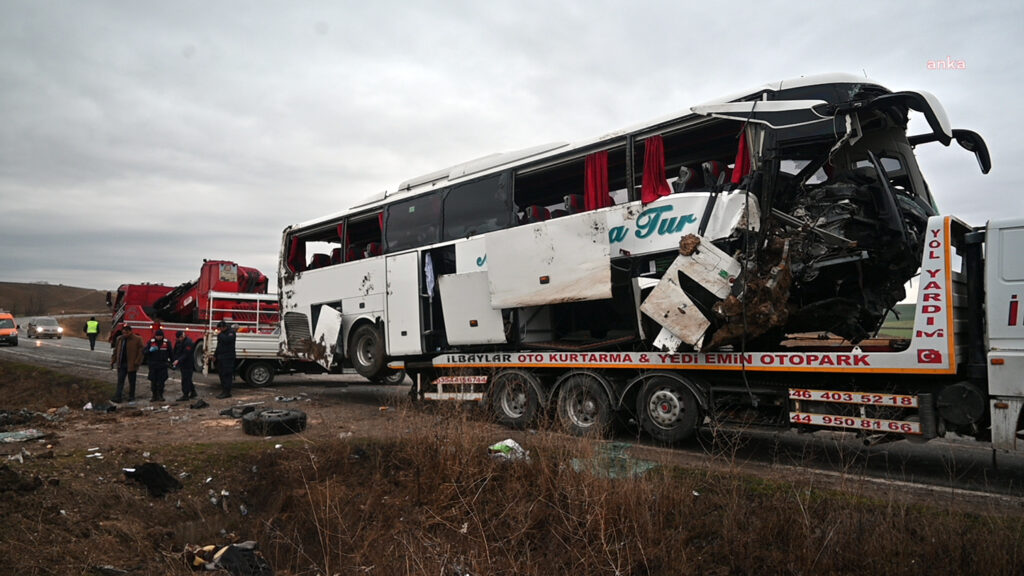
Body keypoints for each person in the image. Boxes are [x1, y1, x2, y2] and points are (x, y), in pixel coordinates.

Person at [110, 325, 143, 403]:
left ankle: (131, 396)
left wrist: (137, 361)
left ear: (130, 332)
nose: (124, 334)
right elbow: (116, 350)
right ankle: (118, 396)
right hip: (121, 363)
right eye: (123, 332)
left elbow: (141, 351)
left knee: (132, 381)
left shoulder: (137, 339)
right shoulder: (120, 339)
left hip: (131, 364)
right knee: (120, 381)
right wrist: (113, 360)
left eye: (126, 333)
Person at [144, 329, 173, 402]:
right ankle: (154, 395)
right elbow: (144, 352)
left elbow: (171, 353)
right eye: (157, 336)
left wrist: (172, 362)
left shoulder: (166, 343)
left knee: (161, 382)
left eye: (160, 336)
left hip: (163, 365)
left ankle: (160, 395)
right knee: (153, 381)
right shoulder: (151, 342)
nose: (158, 337)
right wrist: (149, 350)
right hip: (153, 365)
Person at [171, 330, 197, 402]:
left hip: (188, 363)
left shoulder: (188, 342)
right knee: (187, 378)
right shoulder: (179, 341)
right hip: (182, 363)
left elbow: (186, 354)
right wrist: (174, 359)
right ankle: (193, 392)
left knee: (185, 379)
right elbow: (176, 351)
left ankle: (185, 395)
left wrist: (178, 360)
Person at [215, 320, 236, 399]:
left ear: (224, 327)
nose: (219, 330)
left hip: (228, 357)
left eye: (220, 329)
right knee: (222, 374)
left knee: (227, 375)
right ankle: (223, 390)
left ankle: (227, 392)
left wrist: (219, 334)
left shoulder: (231, 332)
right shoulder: (222, 334)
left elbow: (227, 340)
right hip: (221, 357)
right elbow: (219, 345)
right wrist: (215, 355)